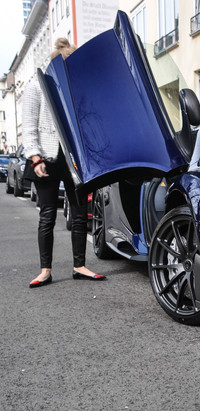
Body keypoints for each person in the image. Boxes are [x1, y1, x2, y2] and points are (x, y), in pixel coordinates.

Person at [23, 38, 106, 288]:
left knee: (80, 215)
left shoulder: (76, 89)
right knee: (47, 216)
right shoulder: (36, 87)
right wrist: (35, 157)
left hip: (75, 161)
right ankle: (45, 270)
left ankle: (79, 266)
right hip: (46, 159)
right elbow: (29, 127)